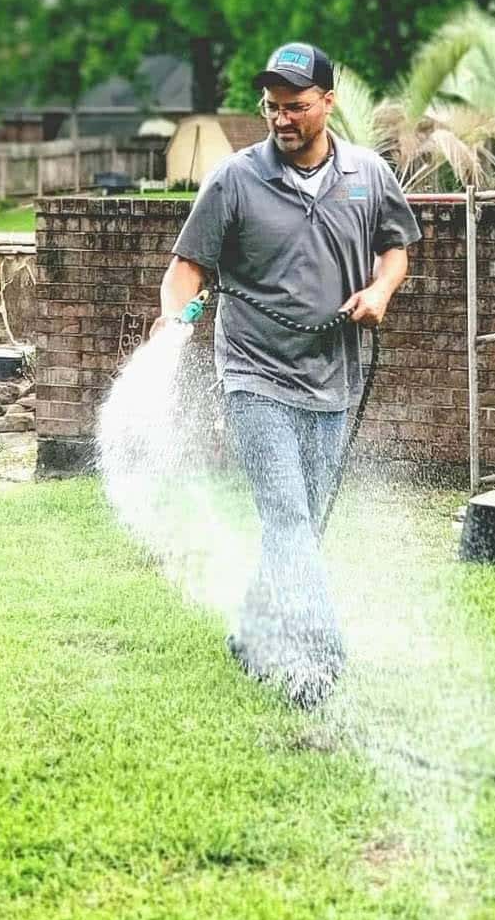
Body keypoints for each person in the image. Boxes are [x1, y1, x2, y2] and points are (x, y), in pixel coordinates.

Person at [155, 40, 420, 708]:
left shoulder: (366, 175)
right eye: (272, 107)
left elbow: (396, 248)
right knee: (286, 513)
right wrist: (175, 318)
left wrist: (381, 292)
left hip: (334, 378)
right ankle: (316, 656)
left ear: (327, 104)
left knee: (300, 521)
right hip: (254, 375)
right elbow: (187, 266)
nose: (282, 118)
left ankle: (250, 633)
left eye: (296, 106)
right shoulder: (236, 179)